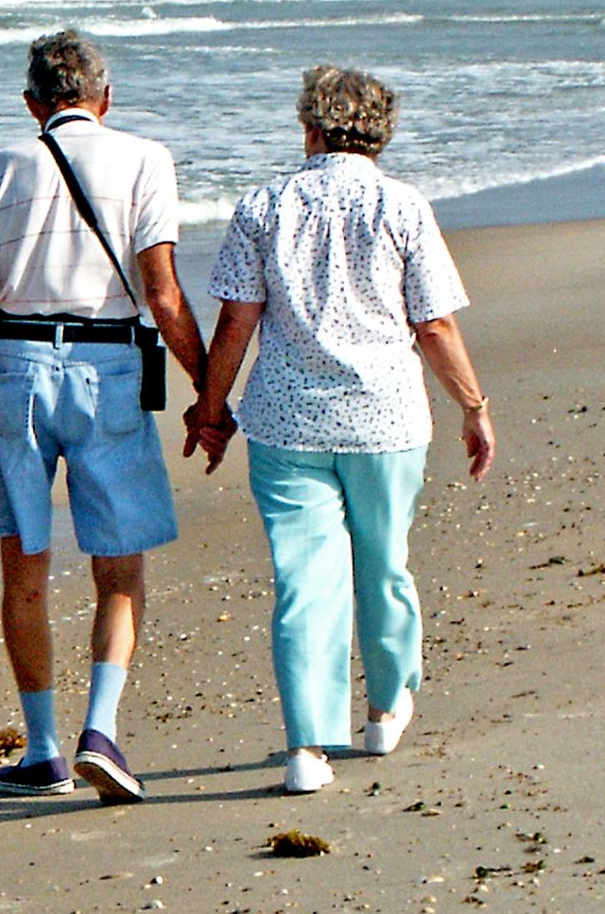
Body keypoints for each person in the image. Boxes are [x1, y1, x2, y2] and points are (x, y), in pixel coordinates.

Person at [187, 65, 496, 795]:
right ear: (380, 133)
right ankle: (386, 707)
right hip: (386, 419)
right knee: (384, 566)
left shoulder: (263, 205)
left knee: (305, 584)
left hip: (287, 422)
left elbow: (237, 320)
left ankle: (306, 749)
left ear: (310, 128)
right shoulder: (404, 206)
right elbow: (434, 322)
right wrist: (474, 407)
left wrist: (209, 408)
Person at [0, 30, 211, 802]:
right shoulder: (145, 159)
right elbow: (162, 293)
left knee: (25, 566)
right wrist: (209, 394)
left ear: (33, 105)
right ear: (106, 97)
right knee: (119, 567)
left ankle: (45, 750)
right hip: (109, 366)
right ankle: (103, 729)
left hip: (15, 370)